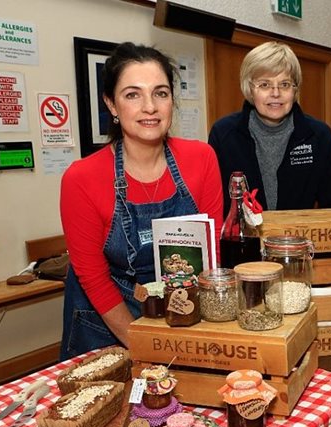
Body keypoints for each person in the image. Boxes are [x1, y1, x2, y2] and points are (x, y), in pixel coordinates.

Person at [59, 43, 222, 359]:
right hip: (107, 320)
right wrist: (146, 348)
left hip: (182, 308)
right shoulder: (81, 178)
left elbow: (209, 254)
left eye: (160, 93)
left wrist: (191, 339)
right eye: (133, 95)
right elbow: (93, 278)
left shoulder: (201, 159)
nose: (150, 107)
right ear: (112, 104)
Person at [208, 41, 331, 216]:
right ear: (250, 89)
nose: (275, 93)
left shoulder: (320, 136)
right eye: (264, 85)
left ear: (295, 90)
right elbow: (214, 207)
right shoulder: (223, 134)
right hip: (242, 234)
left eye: (284, 84)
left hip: (299, 233)